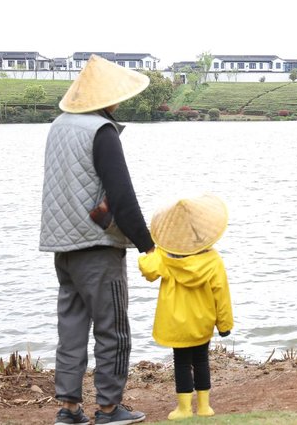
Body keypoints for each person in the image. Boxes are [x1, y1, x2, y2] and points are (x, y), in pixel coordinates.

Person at [39, 54, 153, 425]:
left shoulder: (58, 126)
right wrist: (147, 244)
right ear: (107, 97)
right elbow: (122, 196)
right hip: (98, 247)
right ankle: (108, 408)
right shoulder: (102, 131)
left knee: (71, 328)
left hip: (62, 246)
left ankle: (69, 409)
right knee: (112, 329)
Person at [138, 193, 234, 421]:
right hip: (202, 322)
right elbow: (222, 294)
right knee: (201, 360)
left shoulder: (165, 257)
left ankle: (184, 408)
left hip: (176, 324)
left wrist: (151, 251)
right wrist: (224, 325)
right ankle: (204, 406)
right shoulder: (213, 260)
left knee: (181, 363)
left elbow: (148, 270)